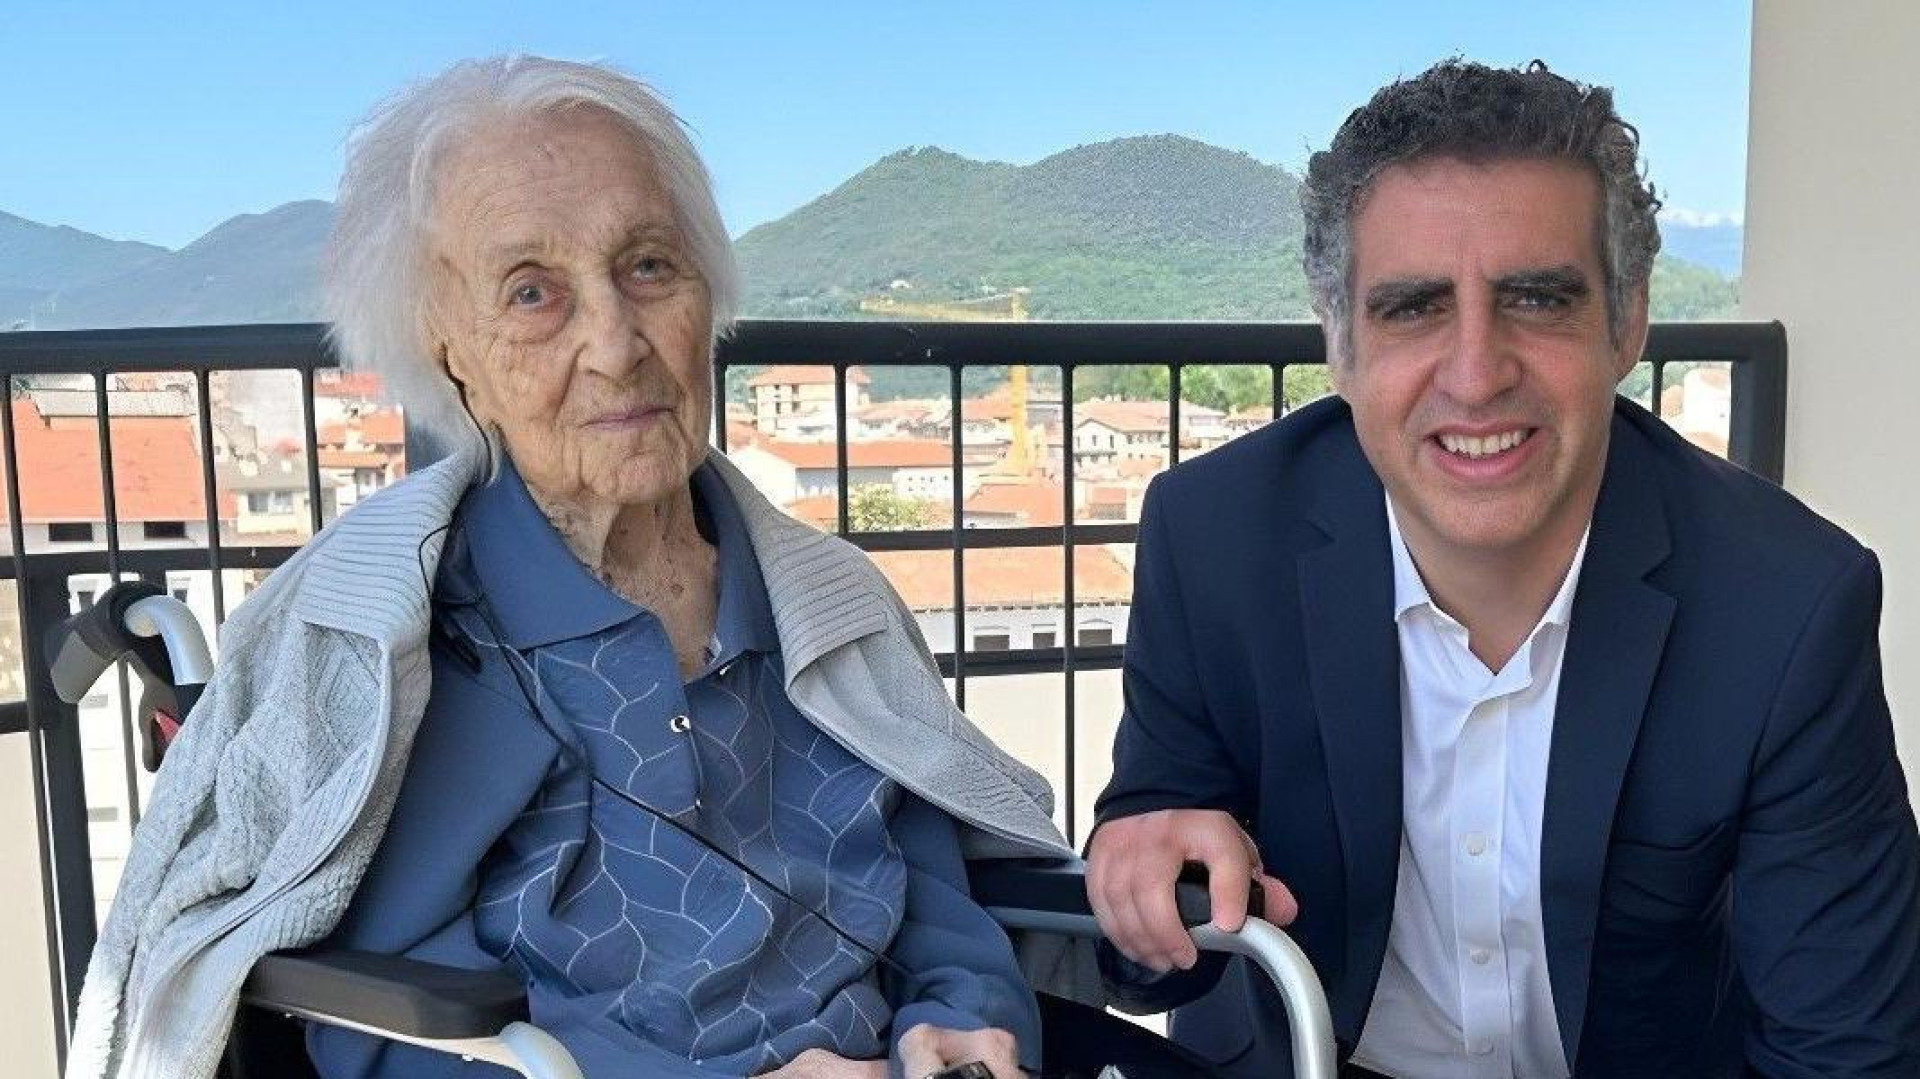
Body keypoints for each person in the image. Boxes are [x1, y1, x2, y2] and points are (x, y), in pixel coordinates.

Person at [66, 56, 1070, 1079]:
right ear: (452, 355)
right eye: (533, 293)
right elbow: (391, 1030)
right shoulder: (415, 649)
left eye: (648, 266)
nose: (616, 343)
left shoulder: (822, 599)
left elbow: (941, 906)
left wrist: (961, 1022)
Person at [1085, 59, 1920, 1077]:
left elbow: (1846, 1046)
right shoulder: (1215, 537)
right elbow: (1148, 955)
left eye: (1535, 298)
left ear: (1627, 321)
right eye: (1413, 307)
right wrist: (1139, 880)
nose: (1477, 374)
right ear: (1339, 341)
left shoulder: (1787, 603)